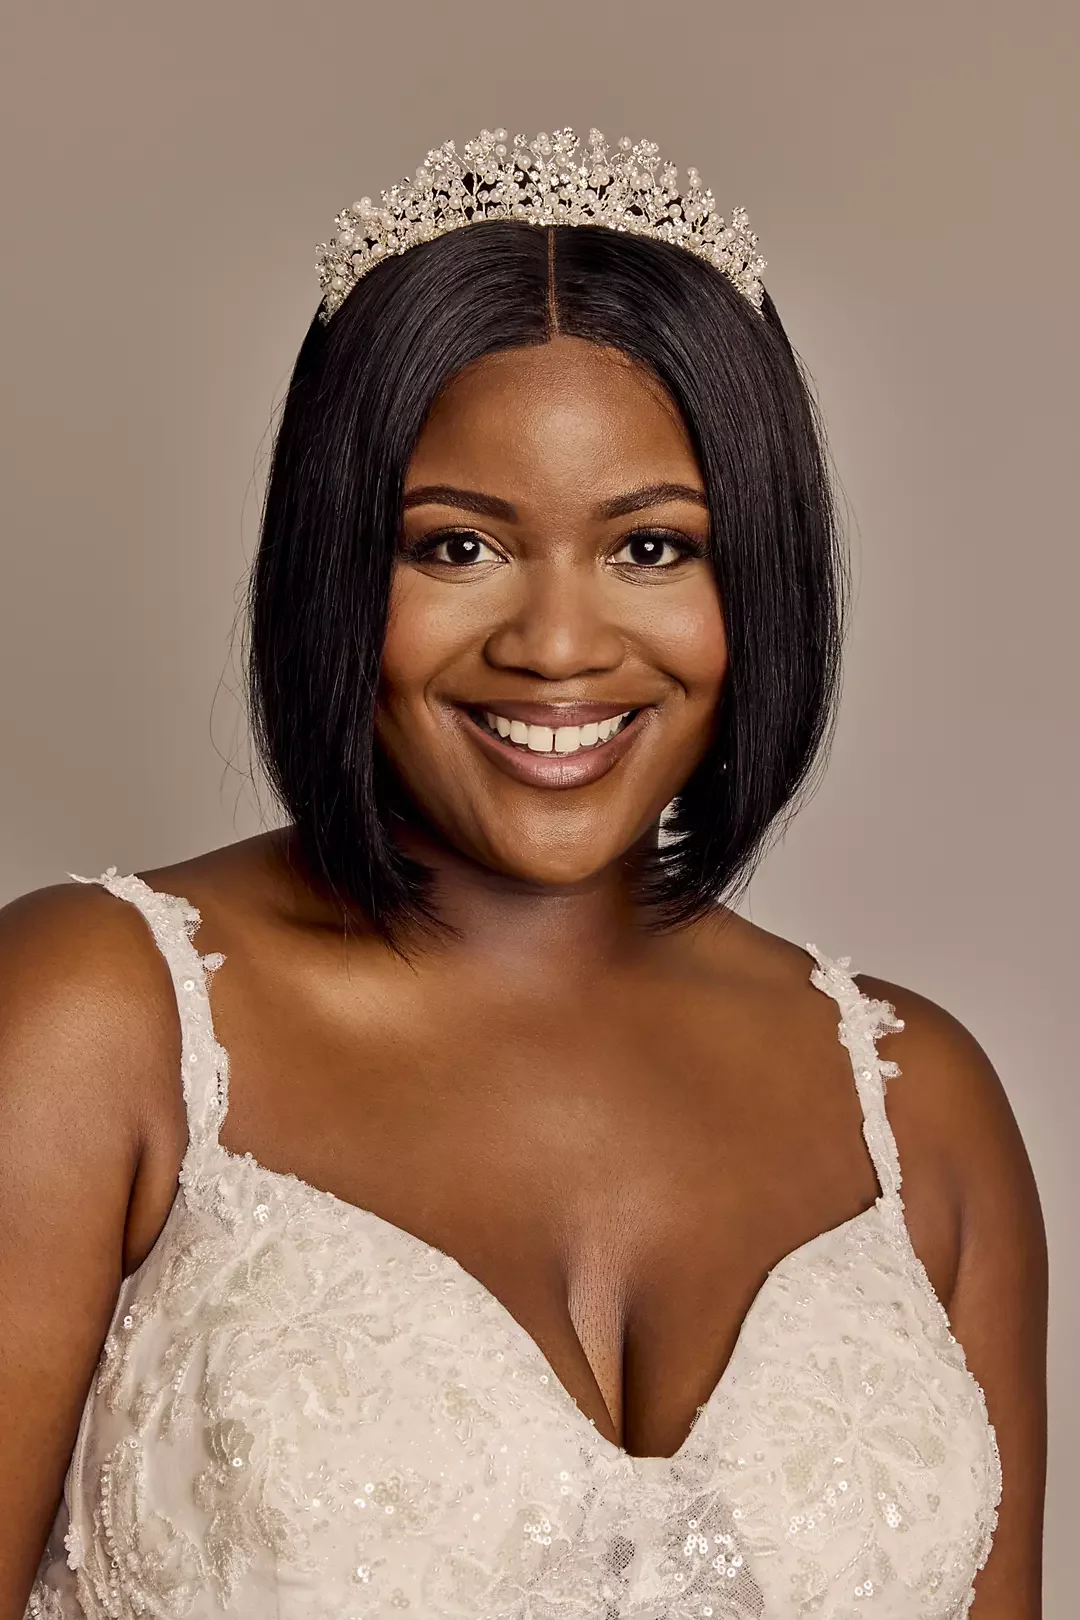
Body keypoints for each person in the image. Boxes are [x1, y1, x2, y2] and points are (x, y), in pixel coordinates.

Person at [0, 128, 1045, 1620]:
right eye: (457, 547)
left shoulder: (921, 1107)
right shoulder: (92, 1020)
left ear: (757, 576)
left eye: (653, 549)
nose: (556, 647)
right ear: (334, 567)